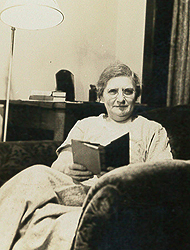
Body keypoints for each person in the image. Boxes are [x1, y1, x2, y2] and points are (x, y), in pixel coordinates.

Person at [0, 63, 173, 250]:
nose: (120, 99)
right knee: (35, 174)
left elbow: (163, 178)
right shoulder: (86, 124)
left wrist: (127, 174)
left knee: (54, 223)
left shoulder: (151, 129)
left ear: (136, 96)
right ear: (101, 96)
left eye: (128, 92)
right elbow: (60, 162)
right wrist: (68, 168)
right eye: (113, 91)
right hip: (77, 192)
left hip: (117, 197)